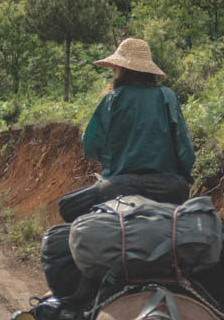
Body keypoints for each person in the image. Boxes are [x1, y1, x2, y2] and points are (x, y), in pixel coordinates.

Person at [65, 37, 197, 218]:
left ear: (122, 69)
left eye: (116, 66)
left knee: (66, 206)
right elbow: (185, 151)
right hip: (168, 188)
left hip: (119, 187)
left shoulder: (112, 99)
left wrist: (113, 162)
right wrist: (182, 178)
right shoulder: (167, 96)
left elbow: (91, 146)